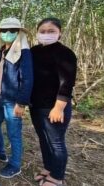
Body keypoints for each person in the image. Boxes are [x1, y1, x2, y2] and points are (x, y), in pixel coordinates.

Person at [30, 18, 77, 186]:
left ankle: (57, 178)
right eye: (42, 31)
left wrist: (58, 108)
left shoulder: (65, 53)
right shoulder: (33, 51)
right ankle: (49, 168)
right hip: (36, 105)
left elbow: (67, 83)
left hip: (55, 106)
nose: (46, 34)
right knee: (44, 139)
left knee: (56, 142)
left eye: (51, 31)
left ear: (60, 33)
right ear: (37, 33)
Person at [0, 17, 33, 178]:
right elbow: (1, 61)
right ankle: (0, 151)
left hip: (13, 99)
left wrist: (21, 103)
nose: (8, 33)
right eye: (4, 31)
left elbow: (27, 78)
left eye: (12, 31)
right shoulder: (3, 50)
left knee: (14, 132)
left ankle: (15, 164)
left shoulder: (23, 52)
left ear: (19, 33)